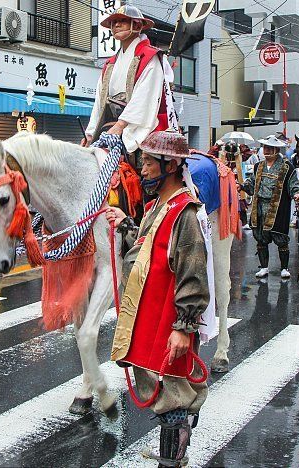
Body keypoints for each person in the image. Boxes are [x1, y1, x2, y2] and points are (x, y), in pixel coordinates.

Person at [105, 131, 209, 467]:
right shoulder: (157, 206)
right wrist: (126, 225)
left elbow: (192, 275)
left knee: (173, 397)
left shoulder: (186, 213)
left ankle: (173, 461)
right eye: (143, 160)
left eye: (150, 161)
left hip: (168, 321)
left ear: (172, 164)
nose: (143, 168)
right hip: (148, 319)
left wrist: (183, 327)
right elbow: (148, 247)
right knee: (160, 391)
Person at [83, 5, 170, 170]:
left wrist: (121, 126)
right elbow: (99, 102)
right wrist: (90, 133)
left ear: (137, 26)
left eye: (122, 21)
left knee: (148, 170)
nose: (116, 25)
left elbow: (144, 98)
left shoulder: (149, 56)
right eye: (114, 22)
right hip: (112, 125)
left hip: (140, 124)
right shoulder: (110, 63)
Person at [242, 135, 299, 279]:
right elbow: (251, 185)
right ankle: (264, 267)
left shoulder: (287, 167)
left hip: (277, 207)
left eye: (270, 148)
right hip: (260, 206)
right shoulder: (258, 166)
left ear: (276, 149)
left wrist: (296, 194)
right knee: (261, 239)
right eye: (265, 148)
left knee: (280, 237)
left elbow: (293, 185)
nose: (266, 151)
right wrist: (242, 186)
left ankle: (284, 268)